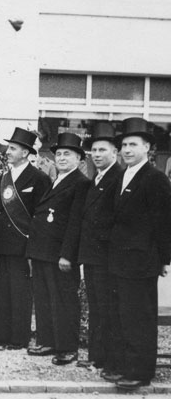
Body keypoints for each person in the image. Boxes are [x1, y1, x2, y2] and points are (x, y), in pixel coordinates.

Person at [107, 118, 171, 390]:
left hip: (141, 259)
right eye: (124, 145)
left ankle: (140, 372)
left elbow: (164, 222)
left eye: (133, 144)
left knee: (140, 317)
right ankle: (124, 366)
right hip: (120, 259)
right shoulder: (122, 175)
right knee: (123, 315)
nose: (127, 150)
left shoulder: (155, 179)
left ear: (147, 148)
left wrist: (164, 259)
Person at [25, 132, 90, 366]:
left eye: (67, 154)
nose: (61, 158)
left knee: (63, 301)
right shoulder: (57, 179)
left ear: (79, 159)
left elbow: (75, 223)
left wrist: (67, 255)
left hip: (59, 255)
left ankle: (67, 347)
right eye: (59, 154)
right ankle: (47, 341)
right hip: (42, 251)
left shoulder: (80, 183)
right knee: (44, 299)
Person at [0, 128, 51, 351]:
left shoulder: (39, 178)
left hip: (24, 245)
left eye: (13, 148)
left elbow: (40, 216)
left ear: (25, 153)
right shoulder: (4, 177)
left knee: (20, 292)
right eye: (9, 147)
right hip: (3, 244)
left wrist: (34, 246)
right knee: (2, 292)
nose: (8, 152)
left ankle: (18, 338)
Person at [69, 123, 123, 373]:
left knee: (107, 309)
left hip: (106, 257)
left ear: (115, 152)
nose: (97, 155)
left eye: (103, 150)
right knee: (97, 307)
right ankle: (96, 356)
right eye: (94, 151)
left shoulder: (118, 178)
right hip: (92, 256)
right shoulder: (97, 178)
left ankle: (107, 359)